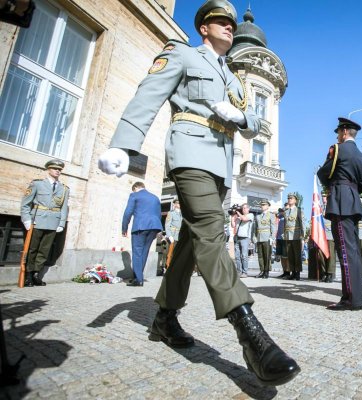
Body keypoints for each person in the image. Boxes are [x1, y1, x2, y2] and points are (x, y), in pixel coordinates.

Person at [97, 0, 299, 386]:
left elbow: (254, 122)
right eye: (220, 21)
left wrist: (242, 117)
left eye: (231, 22)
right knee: (210, 229)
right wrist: (124, 144)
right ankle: (250, 334)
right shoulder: (183, 55)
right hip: (189, 154)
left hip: (221, 166)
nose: (229, 26)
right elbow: (149, 94)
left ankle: (164, 317)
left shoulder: (235, 79)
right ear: (203, 27)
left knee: (191, 241)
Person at [317, 117, 362, 311]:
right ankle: (357, 297)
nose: (338, 136)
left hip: (341, 200)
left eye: (339, 132)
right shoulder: (360, 155)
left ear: (345, 132)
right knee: (354, 250)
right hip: (353, 200)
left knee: (345, 252)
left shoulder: (338, 149)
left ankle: (350, 299)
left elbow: (322, 173)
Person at [20, 159, 69, 287]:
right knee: (32, 249)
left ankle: (36, 274)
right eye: (55, 168)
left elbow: (64, 208)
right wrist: (26, 219)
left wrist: (61, 223)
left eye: (59, 169)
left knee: (44, 250)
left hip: (53, 222)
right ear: (48, 169)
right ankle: (28, 275)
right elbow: (25, 204)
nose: (58, 171)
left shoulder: (64, 189)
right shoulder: (37, 184)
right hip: (37, 221)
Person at [121, 182, 162, 286]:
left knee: (137, 252)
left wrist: (124, 228)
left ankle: (139, 280)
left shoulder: (134, 195)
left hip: (140, 226)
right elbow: (159, 215)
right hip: (154, 227)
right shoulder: (155, 198)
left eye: (133, 190)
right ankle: (137, 277)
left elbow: (128, 212)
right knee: (144, 252)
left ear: (135, 188)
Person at [283, 193, 304, 281]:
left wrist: (302, 236)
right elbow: (285, 224)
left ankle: (298, 273)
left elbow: (302, 223)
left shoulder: (299, 210)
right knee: (290, 255)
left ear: (295, 200)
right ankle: (293, 272)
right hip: (288, 235)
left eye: (291, 198)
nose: (289, 200)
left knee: (297, 255)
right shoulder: (286, 212)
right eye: (288, 198)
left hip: (296, 235)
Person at [253, 200, 276, 279]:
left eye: (264, 205)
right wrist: (254, 237)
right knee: (260, 255)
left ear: (268, 206)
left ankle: (266, 271)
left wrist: (272, 237)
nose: (262, 206)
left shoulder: (271, 215)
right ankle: (262, 270)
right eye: (261, 205)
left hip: (267, 237)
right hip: (259, 237)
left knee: (267, 255)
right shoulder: (258, 216)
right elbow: (255, 228)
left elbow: (273, 227)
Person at [231, 203, 254, 277]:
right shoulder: (238, 216)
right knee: (237, 256)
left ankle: (245, 272)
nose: (243, 209)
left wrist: (238, 213)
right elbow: (233, 225)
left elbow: (244, 219)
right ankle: (239, 271)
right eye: (242, 208)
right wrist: (232, 216)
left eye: (245, 208)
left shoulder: (250, 215)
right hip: (237, 237)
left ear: (248, 209)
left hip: (245, 238)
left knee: (244, 256)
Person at [164, 199, 182, 268]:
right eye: (176, 203)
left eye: (179, 203)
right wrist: (169, 235)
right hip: (173, 235)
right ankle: (168, 267)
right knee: (170, 253)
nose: (178, 205)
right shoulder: (171, 213)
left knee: (178, 253)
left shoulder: (181, 214)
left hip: (180, 235)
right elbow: (167, 225)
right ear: (174, 204)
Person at [275, 206, 290, 278]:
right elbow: (277, 215)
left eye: (285, 210)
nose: (282, 211)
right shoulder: (280, 217)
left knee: (286, 256)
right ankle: (284, 272)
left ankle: (288, 272)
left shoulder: (288, 217)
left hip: (286, 238)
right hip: (279, 238)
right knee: (281, 256)